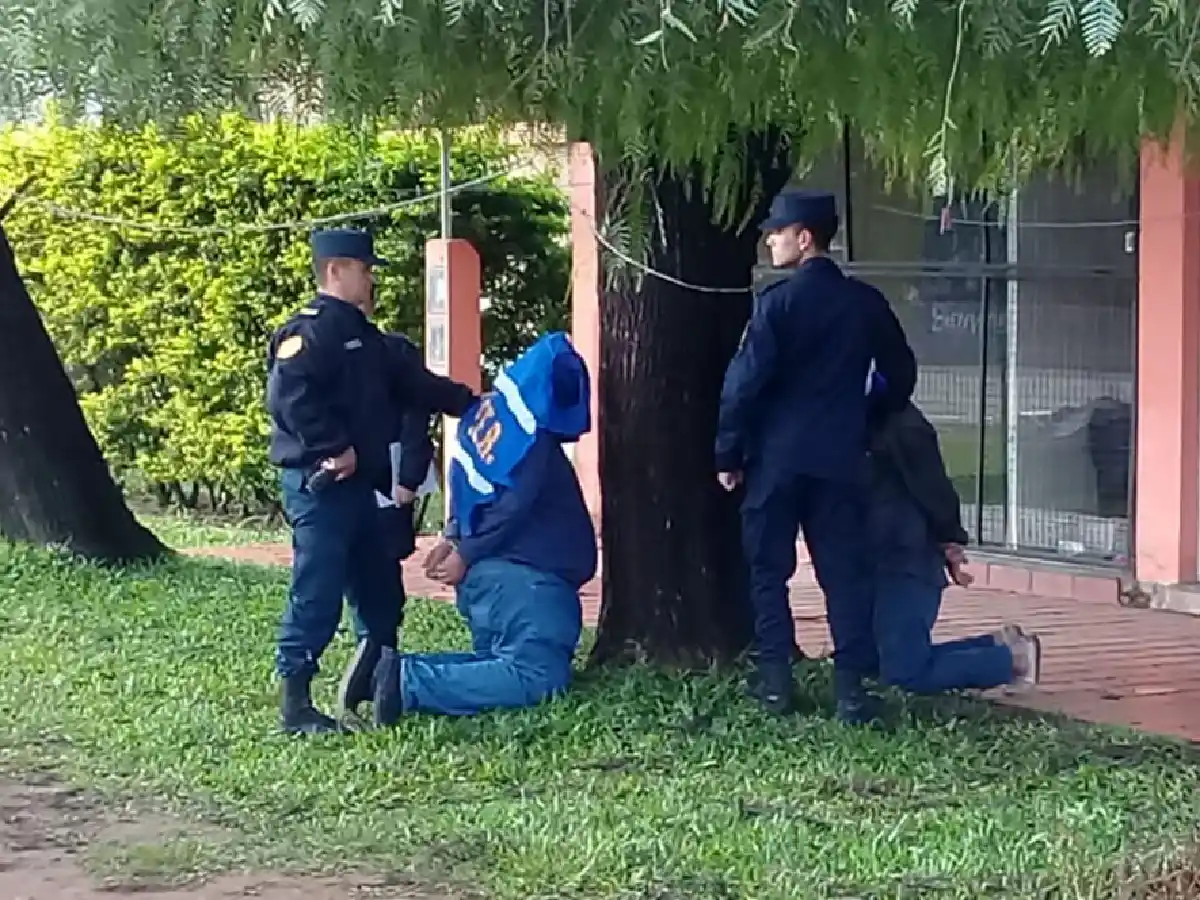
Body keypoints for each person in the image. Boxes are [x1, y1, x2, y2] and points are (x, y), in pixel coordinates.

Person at [715, 188, 918, 721]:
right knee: (845, 573)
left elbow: (742, 386)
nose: (770, 242)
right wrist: (869, 412)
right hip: (841, 458)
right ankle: (852, 691)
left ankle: (775, 683)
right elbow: (901, 373)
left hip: (776, 460)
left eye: (778, 233)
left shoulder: (776, 305)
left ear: (804, 238)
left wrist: (728, 453)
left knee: (768, 569)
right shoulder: (864, 303)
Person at [266, 228, 474, 736]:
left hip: (366, 490)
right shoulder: (309, 334)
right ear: (335, 270)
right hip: (322, 487)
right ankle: (296, 704)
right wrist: (333, 446)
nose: (371, 278)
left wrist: (475, 404)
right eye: (364, 269)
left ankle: (376, 685)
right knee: (317, 589)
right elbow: (289, 398)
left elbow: (417, 386)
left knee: (381, 589)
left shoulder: (373, 341)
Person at [339, 331, 598, 724]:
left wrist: (454, 537)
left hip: (494, 582)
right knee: (537, 675)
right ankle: (404, 682)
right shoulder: (531, 444)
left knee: (498, 662)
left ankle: (384, 671)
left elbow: (471, 485)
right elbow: (511, 507)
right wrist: (464, 551)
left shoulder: (490, 422)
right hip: (527, 582)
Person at [863, 373, 1042, 709]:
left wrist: (950, 540)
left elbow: (935, 491)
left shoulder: (900, 429)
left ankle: (1012, 661)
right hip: (889, 556)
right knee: (882, 663)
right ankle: (998, 646)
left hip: (905, 558)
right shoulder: (872, 424)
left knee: (904, 673)